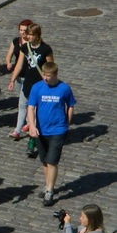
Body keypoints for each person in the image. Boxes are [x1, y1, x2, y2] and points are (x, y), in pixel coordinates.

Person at [27, 62, 76, 207]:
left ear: (55, 75)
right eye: (44, 75)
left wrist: (67, 123)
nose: (45, 78)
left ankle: (50, 191)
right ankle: (48, 184)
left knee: (52, 161)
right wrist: (32, 125)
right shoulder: (37, 87)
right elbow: (31, 108)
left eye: (48, 76)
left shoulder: (64, 88)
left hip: (58, 130)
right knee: (44, 160)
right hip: (41, 130)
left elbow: (70, 105)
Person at [10, 23, 54, 159]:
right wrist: (12, 79)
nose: (27, 36)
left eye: (30, 34)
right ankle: (29, 134)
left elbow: (50, 66)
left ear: (37, 35)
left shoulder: (45, 49)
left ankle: (31, 141)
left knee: (36, 113)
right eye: (27, 34)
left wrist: (50, 82)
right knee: (25, 108)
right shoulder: (25, 47)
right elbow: (20, 64)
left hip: (40, 84)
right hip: (28, 84)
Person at [4, 19, 34, 140]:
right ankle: (28, 121)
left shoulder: (32, 43)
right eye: (20, 30)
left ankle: (17, 130)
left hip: (29, 76)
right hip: (18, 75)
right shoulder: (16, 41)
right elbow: (9, 55)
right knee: (24, 100)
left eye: (24, 30)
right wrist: (8, 63)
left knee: (22, 103)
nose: (22, 33)